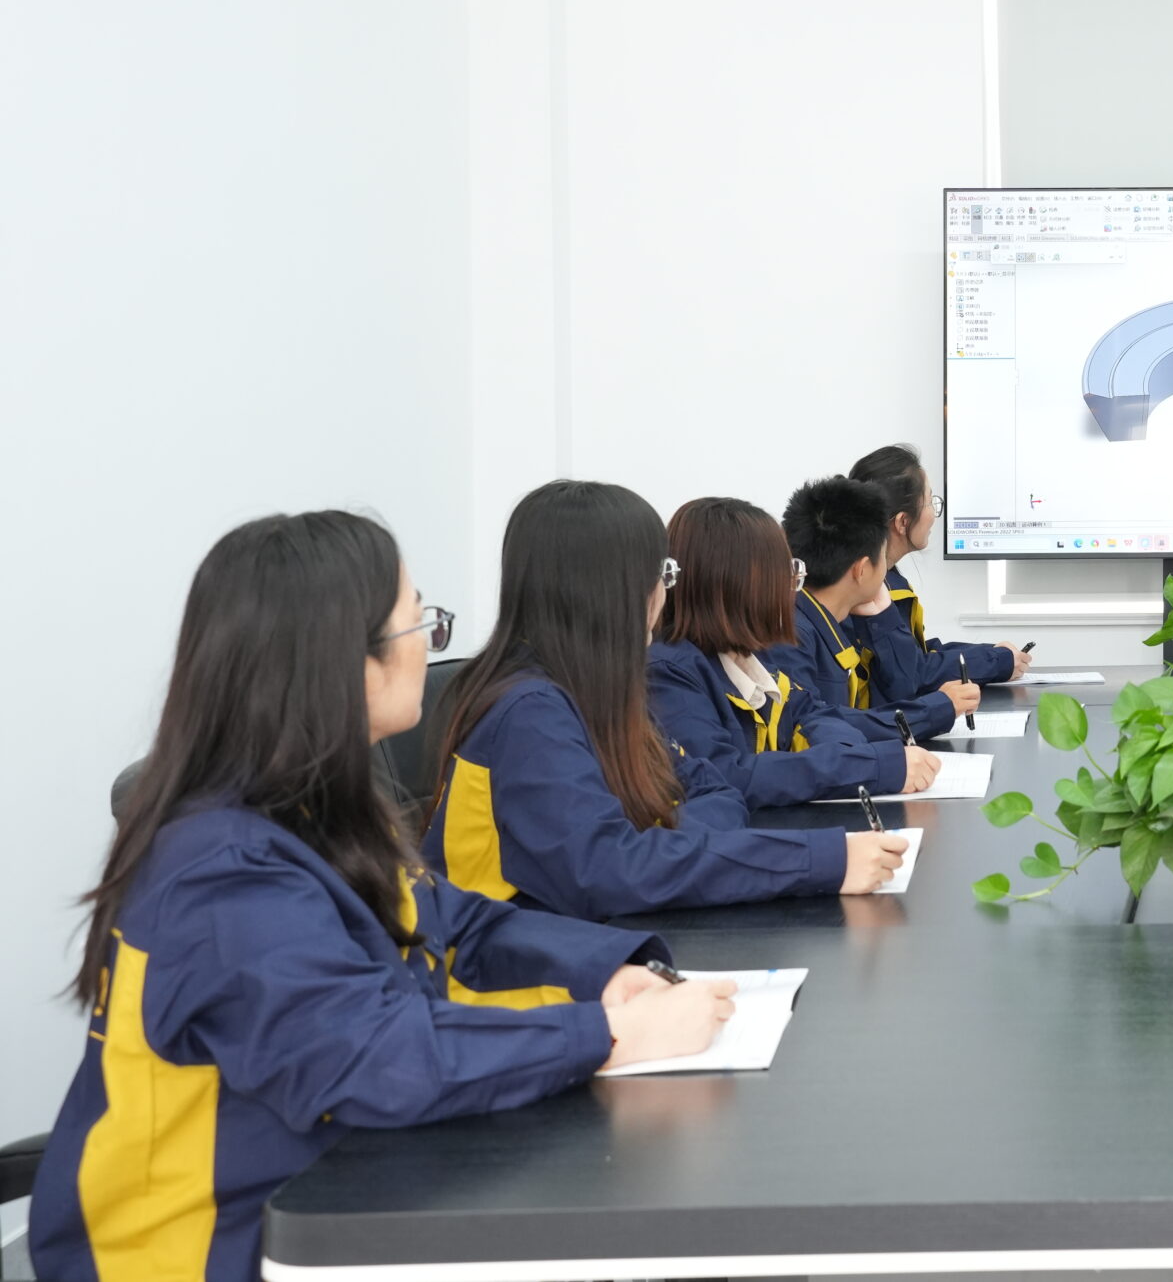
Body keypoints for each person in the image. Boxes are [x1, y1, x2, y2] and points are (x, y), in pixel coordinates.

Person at [32, 512, 732, 1282]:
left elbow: (452, 920)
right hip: (201, 1250)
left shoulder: (311, 806)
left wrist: (607, 970)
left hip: (333, 1188)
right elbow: (374, 1054)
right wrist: (608, 1033)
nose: (430, 646)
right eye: (416, 624)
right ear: (345, 663)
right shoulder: (218, 870)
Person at [424, 480, 908, 918]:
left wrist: (657, 844)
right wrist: (820, 860)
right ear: (616, 587)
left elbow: (715, 790)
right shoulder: (530, 711)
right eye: (664, 573)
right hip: (507, 976)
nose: (665, 592)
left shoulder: (599, 688)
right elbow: (610, 872)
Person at [648, 495, 939, 807]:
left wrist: (862, 760)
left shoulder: (740, 657)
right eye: (781, 572)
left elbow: (810, 714)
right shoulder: (669, 671)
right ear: (737, 583)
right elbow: (725, 776)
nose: (790, 588)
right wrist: (872, 767)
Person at [774, 474, 966, 741]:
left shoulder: (827, 616)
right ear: (862, 570)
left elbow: (902, 687)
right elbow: (823, 729)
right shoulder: (794, 635)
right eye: (882, 556)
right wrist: (934, 711)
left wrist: (883, 618)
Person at [847, 443, 1025, 701]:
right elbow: (913, 674)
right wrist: (995, 661)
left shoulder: (885, 575)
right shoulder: (869, 590)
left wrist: (990, 653)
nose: (933, 514)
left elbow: (913, 654)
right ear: (902, 521)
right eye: (930, 502)